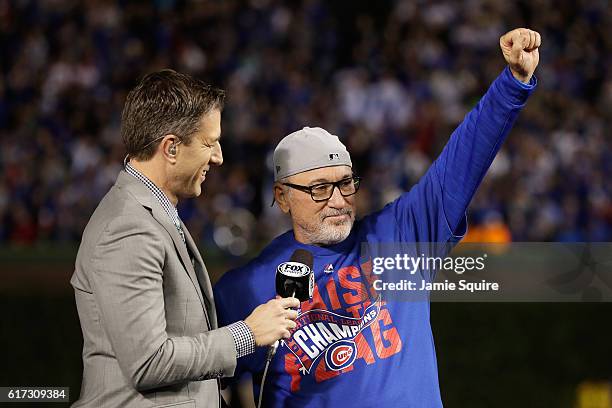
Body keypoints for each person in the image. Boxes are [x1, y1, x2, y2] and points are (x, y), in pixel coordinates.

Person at [214, 28, 541, 407]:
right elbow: (193, 381)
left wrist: (514, 82)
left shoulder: (401, 233)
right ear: (282, 197)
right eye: (319, 188)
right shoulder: (246, 289)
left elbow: (464, 160)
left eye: (345, 183)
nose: (338, 200)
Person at [70, 69, 299, 408]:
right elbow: (149, 362)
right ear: (172, 148)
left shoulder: (151, 212)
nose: (219, 156)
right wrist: (247, 335)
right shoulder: (128, 228)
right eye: (209, 143)